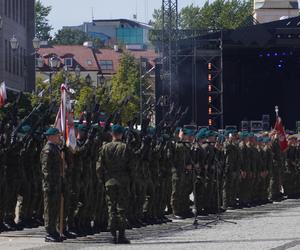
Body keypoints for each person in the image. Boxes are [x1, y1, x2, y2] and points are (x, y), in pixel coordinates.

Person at [96, 124, 131, 244]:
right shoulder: (125, 147)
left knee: (111, 208)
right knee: (121, 208)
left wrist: (102, 180)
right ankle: (121, 235)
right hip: (122, 181)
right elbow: (132, 166)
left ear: (112, 134)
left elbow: (99, 166)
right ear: (121, 134)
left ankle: (112, 235)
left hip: (109, 181)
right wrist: (130, 178)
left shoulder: (105, 147)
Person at [40, 127, 63, 242]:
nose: (59, 137)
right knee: (49, 209)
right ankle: (49, 232)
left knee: (54, 208)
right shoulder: (48, 150)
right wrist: (50, 184)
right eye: (58, 135)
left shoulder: (55, 148)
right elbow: (46, 170)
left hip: (56, 183)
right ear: (51, 137)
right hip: (50, 185)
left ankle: (54, 230)